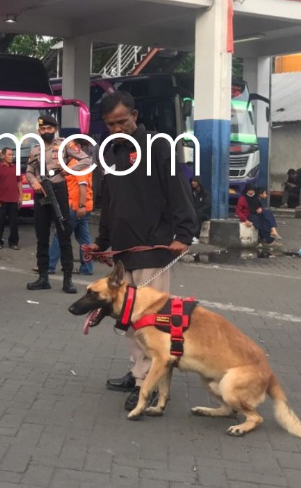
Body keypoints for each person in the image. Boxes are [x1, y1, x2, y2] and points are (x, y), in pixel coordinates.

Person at [84, 91, 196, 411]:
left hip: (153, 248)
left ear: (134, 115)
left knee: (150, 320)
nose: (117, 128)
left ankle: (148, 382)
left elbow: (178, 188)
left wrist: (185, 233)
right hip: (123, 251)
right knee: (129, 320)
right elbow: (110, 205)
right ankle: (138, 373)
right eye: (110, 124)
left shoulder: (158, 146)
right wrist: (102, 243)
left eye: (122, 121)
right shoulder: (110, 154)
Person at [25, 115, 89, 294]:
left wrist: (67, 170)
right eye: (43, 129)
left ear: (55, 129)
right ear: (39, 131)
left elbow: (86, 160)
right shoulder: (35, 149)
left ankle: (68, 279)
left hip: (59, 190)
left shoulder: (65, 145)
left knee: (63, 233)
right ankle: (43, 277)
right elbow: (29, 171)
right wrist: (33, 182)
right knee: (41, 235)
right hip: (40, 193)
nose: (46, 132)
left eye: (49, 129)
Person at [47, 145, 93, 275]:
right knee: (84, 238)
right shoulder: (78, 164)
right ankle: (87, 268)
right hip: (84, 206)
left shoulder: (75, 164)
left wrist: (81, 206)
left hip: (75, 207)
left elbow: (82, 185)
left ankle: (49, 265)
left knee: (60, 234)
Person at [0, 146, 21, 250]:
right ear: (3, 156)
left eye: (12, 155)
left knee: (14, 223)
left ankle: (13, 242)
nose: (11, 157)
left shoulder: (16, 167)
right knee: (0, 222)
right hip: (1, 199)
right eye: (9, 155)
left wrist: (20, 196)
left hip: (13, 199)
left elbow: (19, 182)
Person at [190, 176, 211, 243]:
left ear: (198, 182)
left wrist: (197, 211)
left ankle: (196, 236)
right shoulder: (191, 193)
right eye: (192, 181)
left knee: (198, 216)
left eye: (195, 181)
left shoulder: (205, 193)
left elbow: (207, 205)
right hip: (193, 212)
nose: (192, 183)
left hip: (203, 213)